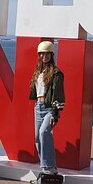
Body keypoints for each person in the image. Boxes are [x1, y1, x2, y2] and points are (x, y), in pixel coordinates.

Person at [29, 41, 65, 175]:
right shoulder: (38, 72)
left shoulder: (56, 73)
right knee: (38, 139)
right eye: (42, 54)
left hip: (50, 108)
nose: (44, 56)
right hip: (38, 107)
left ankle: (48, 167)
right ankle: (49, 168)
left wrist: (56, 113)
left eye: (47, 53)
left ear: (51, 54)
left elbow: (58, 93)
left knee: (44, 132)